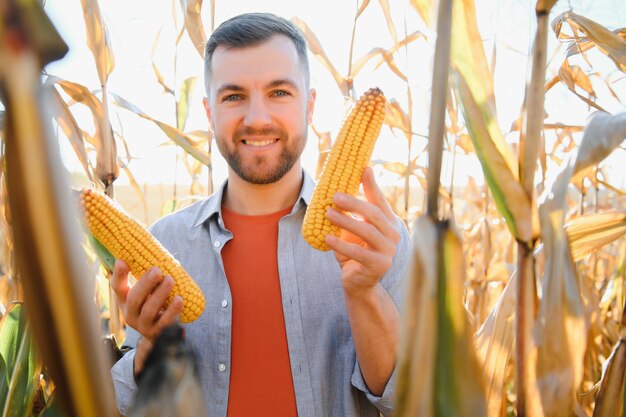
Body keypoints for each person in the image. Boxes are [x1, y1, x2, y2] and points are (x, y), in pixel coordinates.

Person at [110, 12, 412, 417]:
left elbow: (407, 401)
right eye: (233, 96)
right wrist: (149, 346)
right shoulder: (168, 240)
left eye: (280, 93)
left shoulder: (375, 240)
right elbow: (126, 405)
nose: (257, 119)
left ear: (310, 105)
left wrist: (365, 294)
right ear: (209, 111)